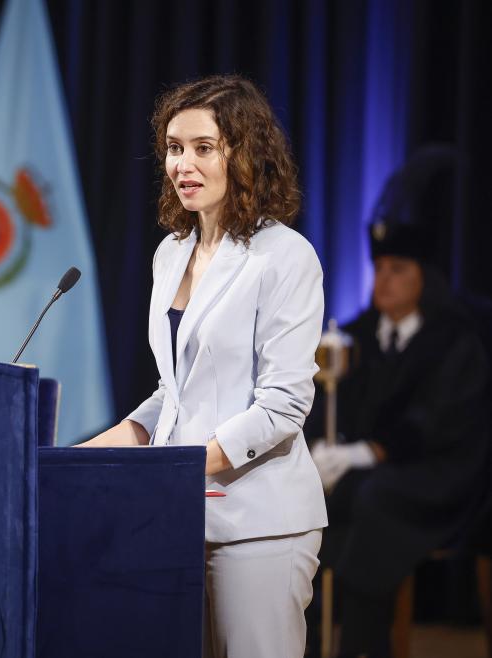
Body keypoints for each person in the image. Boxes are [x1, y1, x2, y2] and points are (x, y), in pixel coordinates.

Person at [78, 75, 327, 657]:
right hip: (178, 515)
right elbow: (177, 390)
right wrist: (82, 457)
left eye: (203, 147)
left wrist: (174, 467)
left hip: (261, 521)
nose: (183, 164)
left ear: (244, 152)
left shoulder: (285, 255)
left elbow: (284, 404)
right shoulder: (172, 252)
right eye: (173, 147)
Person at [309, 219, 489, 657]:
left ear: (424, 277)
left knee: (374, 499)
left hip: (439, 473)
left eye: (397, 269)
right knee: (321, 503)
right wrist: (323, 447)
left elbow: (437, 422)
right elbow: (336, 406)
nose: (383, 280)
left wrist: (366, 452)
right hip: (374, 471)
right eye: (380, 269)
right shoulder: (359, 336)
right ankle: (310, 640)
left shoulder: (454, 341)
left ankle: (363, 646)